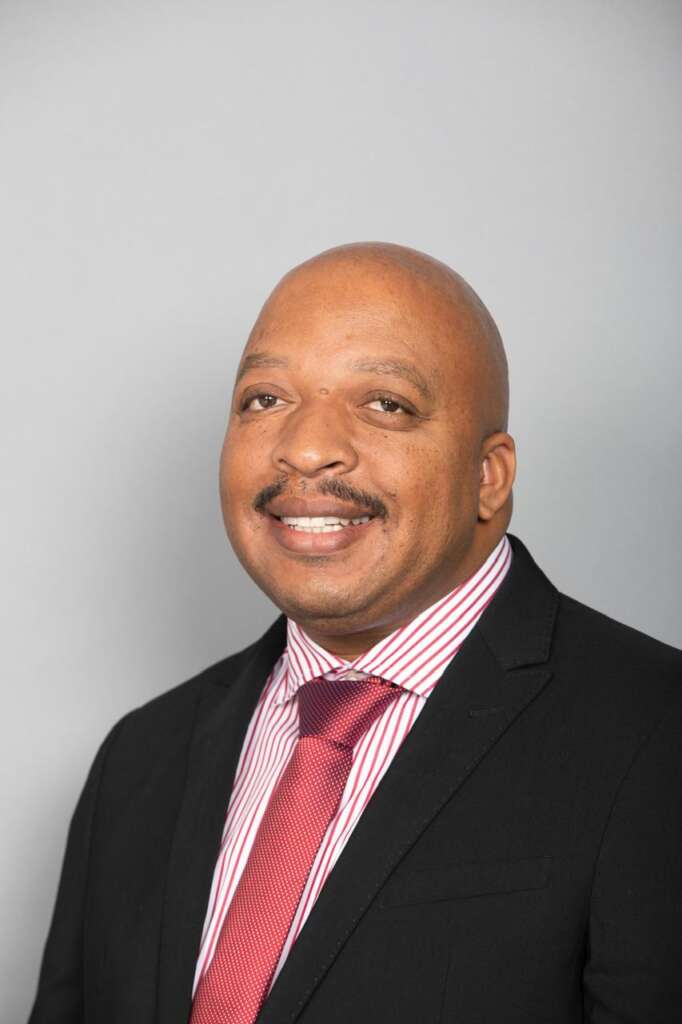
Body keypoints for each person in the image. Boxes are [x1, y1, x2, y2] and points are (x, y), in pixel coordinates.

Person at [29, 243, 682, 1024]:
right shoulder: (139, 760)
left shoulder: (656, 732)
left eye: (386, 404)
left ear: (489, 477)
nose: (306, 448)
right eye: (265, 399)